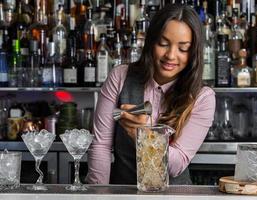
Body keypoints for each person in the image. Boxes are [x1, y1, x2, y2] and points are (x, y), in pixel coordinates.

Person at [86, 4, 216, 185]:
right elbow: (101, 146)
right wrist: (98, 196)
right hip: (123, 194)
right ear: (151, 41)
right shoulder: (120, 77)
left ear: (193, 52)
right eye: (163, 43)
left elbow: (176, 165)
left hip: (174, 197)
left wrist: (144, 135)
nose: (171, 55)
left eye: (183, 48)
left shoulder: (203, 97)